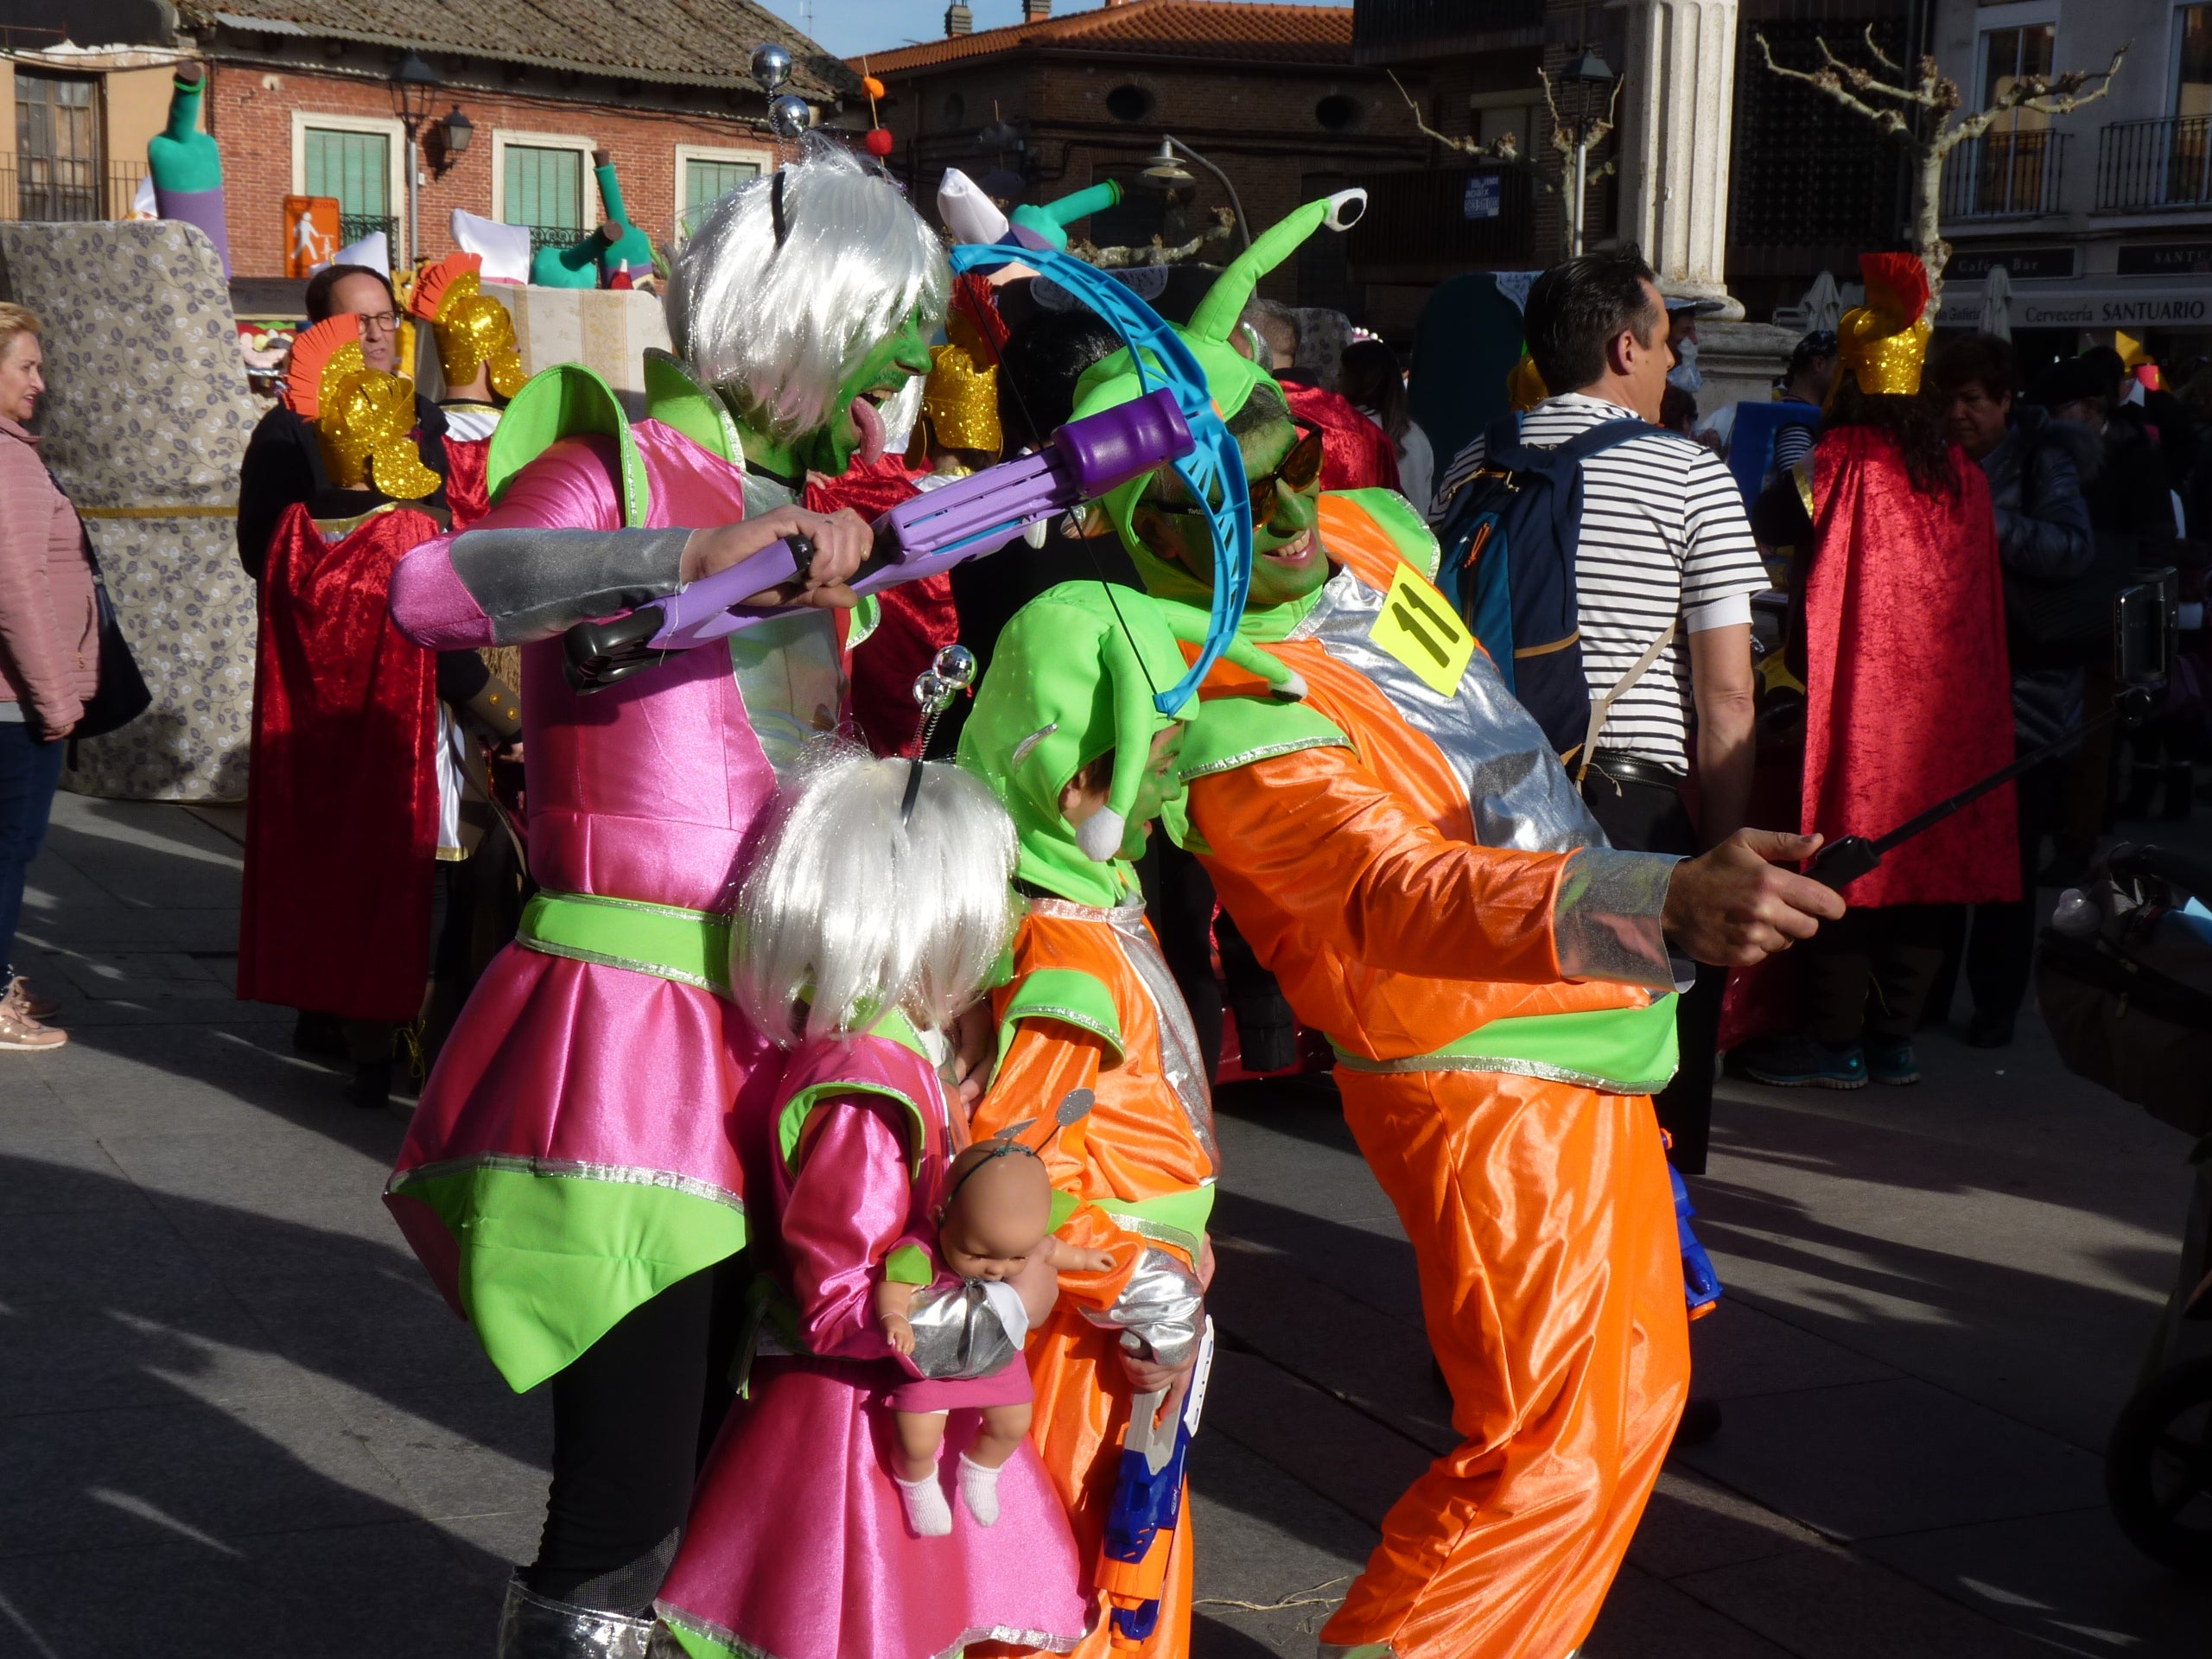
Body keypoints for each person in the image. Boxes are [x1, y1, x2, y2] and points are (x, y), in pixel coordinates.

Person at [1069, 194, 1844, 1659]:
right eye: (1223, 505)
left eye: (1283, 460)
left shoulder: (1366, 545)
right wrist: (1657, 897)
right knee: (1545, 1449)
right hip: (1478, 1074)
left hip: (1585, 1026)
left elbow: (1478, 725)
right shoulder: (1224, 708)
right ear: (1151, 533)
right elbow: (1391, 895)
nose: (1282, 512)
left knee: (1630, 1405)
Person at [382, 137, 944, 1655]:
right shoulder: (624, 465)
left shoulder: (803, 503)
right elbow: (431, 591)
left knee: (715, 1448)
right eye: (888, 326)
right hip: (628, 1039)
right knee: (623, 1487)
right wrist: (685, 553)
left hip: (767, 1023)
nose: (905, 364)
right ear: (814, 316)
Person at [656, 740, 1088, 1659]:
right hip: (854, 1426)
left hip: (891, 1410)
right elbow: (842, 1303)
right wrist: (1011, 1301)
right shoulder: (865, 1087)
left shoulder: (883, 1056)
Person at [957, 582, 1299, 1659]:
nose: (1173, 782)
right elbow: (1014, 1188)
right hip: (1081, 1348)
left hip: (1114, 1325)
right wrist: (1144, 1287)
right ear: (1072, 783)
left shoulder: (1078, 905)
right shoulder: (1062, 961)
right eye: (1157, 756)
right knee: (1079, 1595)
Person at [1431, 250, 1769, 1173]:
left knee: (1516, 1068)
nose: (1674, 365)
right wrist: (1722, 852)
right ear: (1626, 348)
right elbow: (1727, 691)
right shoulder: (1689, 474)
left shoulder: (1473, 458)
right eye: (1668, 345)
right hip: (1626, 813)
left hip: (1485, 806)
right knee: (1627, 1085)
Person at [1735, 263, 2017, 1086]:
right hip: (1948, 714)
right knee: (1925, 873)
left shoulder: (1836, 461)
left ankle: (1835, 1045)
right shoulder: (1963, 476)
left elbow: (1767, 518)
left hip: (1864, 704)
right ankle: (1897, 1041)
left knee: (1849, 861)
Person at [1932, 331, 2096, 1048]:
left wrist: (1976, 518)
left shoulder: (2043, 458)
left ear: (2005, 400)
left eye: (1972, 400)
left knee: (2006, 868)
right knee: (1939, 858)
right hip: (1949, 697)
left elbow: (2072, 547)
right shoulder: (1935, 459)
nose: (1958, 414)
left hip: (2027, 701)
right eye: (1949, 400)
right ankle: (1927, 999)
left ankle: (1995, 1006)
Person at [0, 304, 93, 1052]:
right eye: (26, 366)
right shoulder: (7, 459)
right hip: (12, 700)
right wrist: (56, 698)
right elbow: (16, 587)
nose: (41, 381)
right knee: (8, 848)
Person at [236, 262, 450, 575]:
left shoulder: (426, 416)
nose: (376, 335)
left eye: (385, 318)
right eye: (360, 322)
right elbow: (261, 554)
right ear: (322, 330)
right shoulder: (287, 430)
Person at [407, 250, 525, 529]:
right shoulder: (522, 432)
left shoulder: (412, 432)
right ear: (489, 357)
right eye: (514, 353)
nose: (519, 361)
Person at [1340, 337, 1433, 513]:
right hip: (1414, 537)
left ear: (1355, 380)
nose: (1337, 383)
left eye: (1340, 375)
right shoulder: (1418, 436)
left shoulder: (1344, 430)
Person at [1770, 328, 1837, 476]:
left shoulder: (1791, 413)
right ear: (1819, 363)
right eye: (1841, 365)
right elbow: (1797, 486)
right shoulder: (1796, 421)